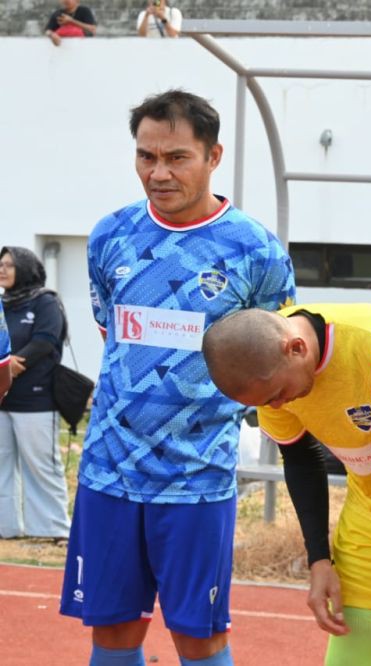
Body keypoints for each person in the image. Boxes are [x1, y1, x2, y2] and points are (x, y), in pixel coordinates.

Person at [58, 90, 296, 666]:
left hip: (196, 477)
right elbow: (112, 333)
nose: (158, 172)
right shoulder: (110, 235)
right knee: (112, 632)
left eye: (177, 158)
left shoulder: (255, 250)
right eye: (146, 157)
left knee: (199, 637)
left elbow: (279, 360)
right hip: (109, 470)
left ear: (213, 156)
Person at [203, 303, 371, 666]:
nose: (276, 405)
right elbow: (299, 457)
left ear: (297, 348)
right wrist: (319, 559)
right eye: (263, 403)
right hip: (369, 512)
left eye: (275, 394)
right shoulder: (266, 366)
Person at [0, 247, 71, 541]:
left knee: (41, 466)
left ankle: (51, 529)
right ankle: (7, 528)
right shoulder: (2, 303)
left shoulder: (45, 302)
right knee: (1, 465)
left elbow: (46, 340)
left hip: (36, 401)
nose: (2, 269)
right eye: (0, 264)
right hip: (3, 399)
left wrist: (13, 365)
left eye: (8, 265)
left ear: (26, 269)